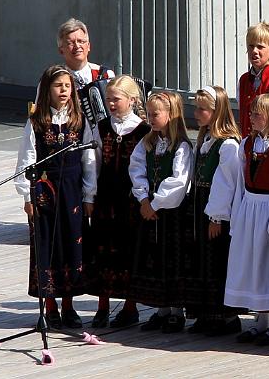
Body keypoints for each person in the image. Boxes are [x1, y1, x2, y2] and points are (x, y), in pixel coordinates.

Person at [15, 65, 96, 329]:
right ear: (47, 89)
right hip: (44, 189)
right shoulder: (36, 121)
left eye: (67, 86)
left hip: (72, 188)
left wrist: (89, 195)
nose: (63, 91)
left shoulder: (79, 119)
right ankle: (50, 306)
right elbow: (26, 159)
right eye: (58, 86)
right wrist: (26, 195)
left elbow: (89, 159)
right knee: (47, 244)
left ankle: (69, 305)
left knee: (71, 243)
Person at [225, 94, 269, 346]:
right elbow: (240, 185)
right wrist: (237, 216)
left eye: (257, 114)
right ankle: (261, 322)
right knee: (253, 264)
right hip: (249, 209)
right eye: (251, 113)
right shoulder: (246, 144)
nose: (251, 118)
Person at [85, 76, 151, 328]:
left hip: (130, 200)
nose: (111, 103)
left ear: (132, 100)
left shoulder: (143, 131)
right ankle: (102, 307)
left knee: (129, 250)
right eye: (109, 99)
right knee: (103, 250)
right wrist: (90, 195)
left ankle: (129, 306)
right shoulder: (101, 127)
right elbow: (93, 163)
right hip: (106, 198)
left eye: (116, 99)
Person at [127, 91, 192, 333]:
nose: (150, 119)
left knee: (174, 259)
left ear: (170, 115)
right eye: (149, 114)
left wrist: (154, 204)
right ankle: (161, 308)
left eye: (155, 114)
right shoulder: (148, 142)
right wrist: (143, 198)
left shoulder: (181, 147)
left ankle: (176, 311)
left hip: (171, 212)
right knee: (156, 258)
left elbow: (179, 181)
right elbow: (136, 168)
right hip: (151, 210)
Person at [180, 86, 242, 336]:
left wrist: (216, 217)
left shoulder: (227, 145)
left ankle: (224, 316)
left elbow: (226, 184)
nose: (197, 113)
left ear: (217, 112)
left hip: (216, 209)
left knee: (217, 261)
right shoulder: (205, 139)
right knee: (201, 260)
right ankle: (205, 314)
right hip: (200, 203)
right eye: (196, 108)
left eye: (202, 109)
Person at [56, 18, 115, 90]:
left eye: (81, 41)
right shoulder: (53, 79)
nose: (77, 46)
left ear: (88, 46)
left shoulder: (106, 75)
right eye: (70, 43)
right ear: (61, 50)